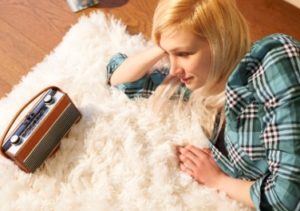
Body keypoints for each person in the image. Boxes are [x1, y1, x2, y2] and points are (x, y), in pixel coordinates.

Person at [106, 0, 300, 210]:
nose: (173, 69)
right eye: (168, 55)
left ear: (220, 40)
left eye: (184, 54)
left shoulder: (274, 61)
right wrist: (164, 44)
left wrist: (217, 180)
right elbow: (120, 79)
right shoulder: (200, 84)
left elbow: (284, 198)